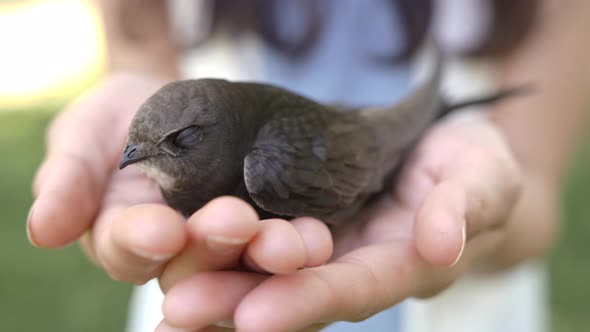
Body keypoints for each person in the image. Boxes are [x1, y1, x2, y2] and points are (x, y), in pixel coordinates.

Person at [27, 0, 590, 331]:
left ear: (212, 137)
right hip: (200, 314)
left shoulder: (265, 166)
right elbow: (142, 58)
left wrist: (476, 221)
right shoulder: (185, 141)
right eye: (137, 144)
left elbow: (534, 193)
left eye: (177, 143)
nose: (136, 158)